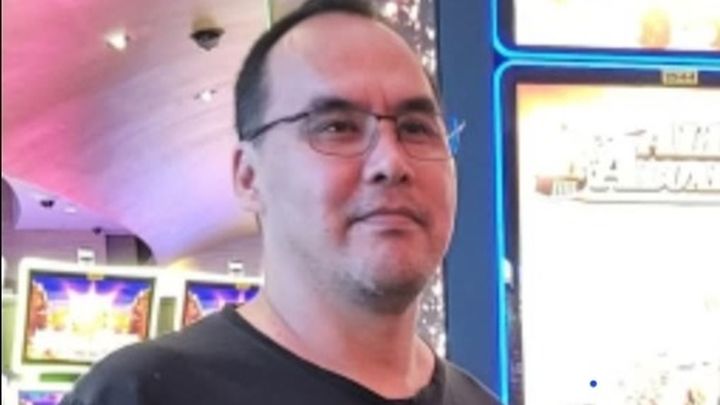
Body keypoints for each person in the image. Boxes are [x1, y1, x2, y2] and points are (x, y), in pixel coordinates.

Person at [60, 1, 500, 404]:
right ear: (249, 177)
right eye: (337, 127)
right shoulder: (141, 393)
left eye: (417, 128)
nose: (391, 161)